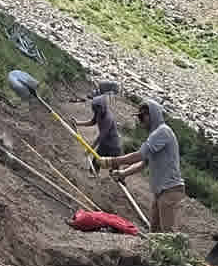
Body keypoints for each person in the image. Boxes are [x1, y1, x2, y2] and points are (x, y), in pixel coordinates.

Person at [98, 98, 185, 233]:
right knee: (155, 233)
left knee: (168, 236)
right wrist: (123, 174)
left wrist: (112, 161)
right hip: (160, 192)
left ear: (152, 115)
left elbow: (139, 155)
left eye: (142, 116)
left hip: (170, 190)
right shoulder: (155, 134)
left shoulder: (162, 132)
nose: (140, 120)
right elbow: (143, 163)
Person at [68, 81, 123, 160]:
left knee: (114, 171)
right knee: (95, 164)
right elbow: (92, 122)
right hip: (104, 144)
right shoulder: (99, 111)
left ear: (103, 107)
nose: (96, 112)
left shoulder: (108, 118)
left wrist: (90, 150)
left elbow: (100, 137)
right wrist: (78, 123)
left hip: (114, 147)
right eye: (95, 110)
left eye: (97, 110)